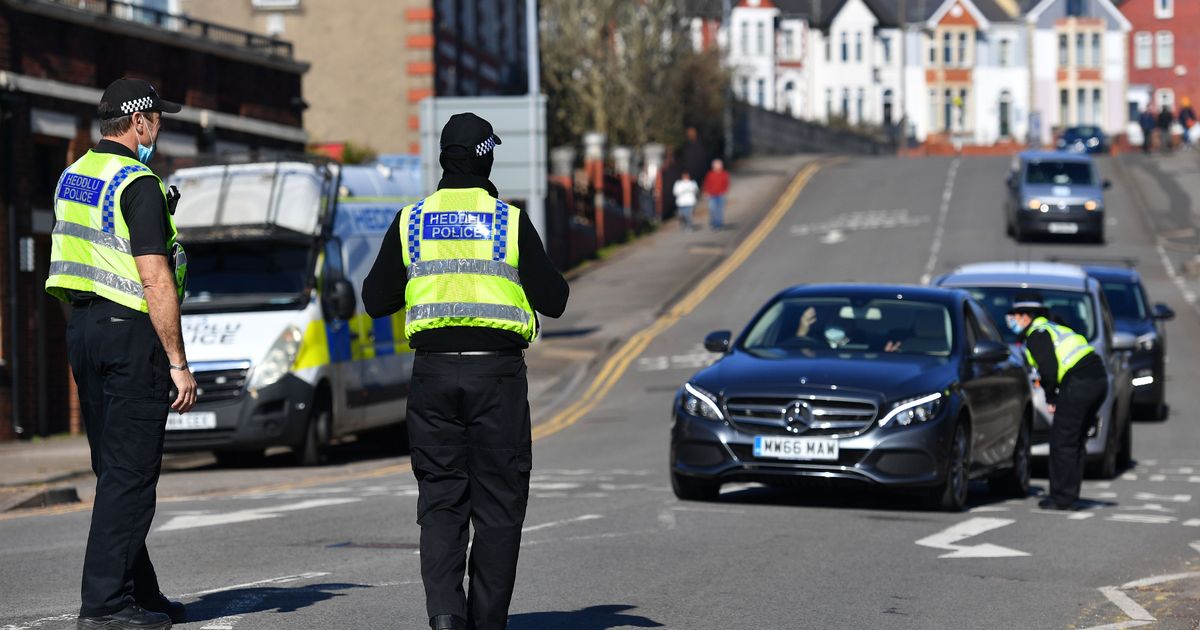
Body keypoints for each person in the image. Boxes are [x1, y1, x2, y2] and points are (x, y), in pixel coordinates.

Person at [362, 113, 569, 630]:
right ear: (487, 156)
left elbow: (374, 299)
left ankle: (446, 616)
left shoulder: (412, 220)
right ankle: (486, 622)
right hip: (496, 378)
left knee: (441, 499)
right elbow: (556, 300)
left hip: (431, 377)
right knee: (498, 506)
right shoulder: (507, 220)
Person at [45, 78, 195, 629]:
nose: (160, 128)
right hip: (130, 333)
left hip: (84, 328)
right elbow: (155, 279)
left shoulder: (74, 174)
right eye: (157, 118)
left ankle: (139, 593)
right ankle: (105, 606)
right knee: (130, 476)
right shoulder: (138, 182)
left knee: (114, 470)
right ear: (138, 123)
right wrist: (177, 362)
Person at [1006, 293, 1107, 511]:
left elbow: (1049, 369)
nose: (1012, 320)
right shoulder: (1053, 328)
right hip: (1096, 379)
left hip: (1080, 381)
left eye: (1015, 316)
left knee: (1062, 441)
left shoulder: (1037, 334)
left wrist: (1052, 397)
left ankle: (1061, 497)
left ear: (1026, 316)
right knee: (1075, 439)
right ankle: (1070, 495)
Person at [702, 159, 729, 230]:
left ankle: (719, 224)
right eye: (716, 166)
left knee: (720, 210)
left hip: (721, 195)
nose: (718, 167)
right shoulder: (710, 174)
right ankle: (713, 223)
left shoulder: (724, 174)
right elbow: (706, 184)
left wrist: (724, 191)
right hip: (712, 195)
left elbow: (726, 183)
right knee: (712, 210)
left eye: (719, 166)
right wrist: (706, 192)